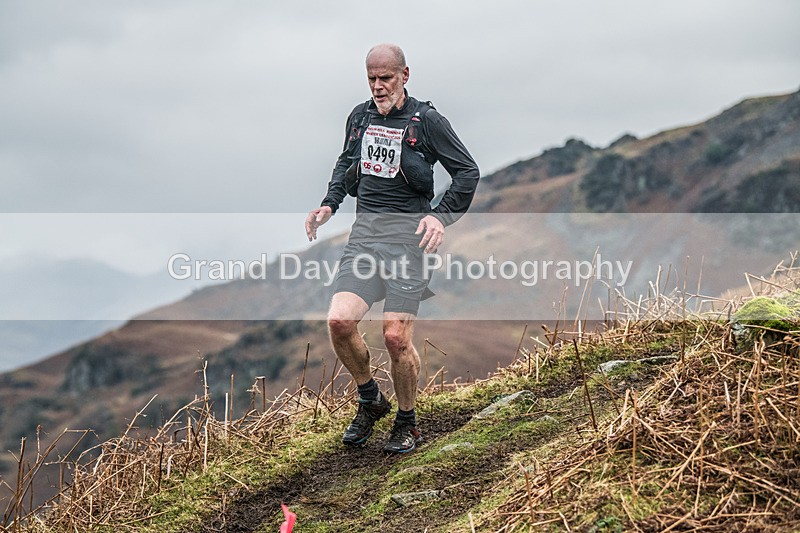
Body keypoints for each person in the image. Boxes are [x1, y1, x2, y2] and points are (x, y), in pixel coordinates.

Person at [304, 43, 479, 453]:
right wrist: (331, 202)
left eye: (386, 78)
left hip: (407, 244)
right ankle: (370, 400)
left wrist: (440, 216)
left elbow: (467, 172)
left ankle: (408, 421)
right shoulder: (360, 116)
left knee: (396, 337)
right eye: (371, 79)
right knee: (339, 323)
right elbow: (348, 163)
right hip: (365, 238)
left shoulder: (427, 121)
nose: (379, 87)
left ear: (405, 74)